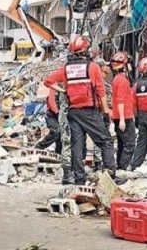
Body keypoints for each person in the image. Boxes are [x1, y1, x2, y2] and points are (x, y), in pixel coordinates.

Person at [44, 35, 119, 185]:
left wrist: (63, 91)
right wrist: (106, 110)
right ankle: (110, 175)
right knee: (105, 141)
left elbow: (48, 81)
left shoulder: (66, 69)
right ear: (85, 50)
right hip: (89, 111)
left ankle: (79, 178)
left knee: (76, 146)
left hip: (73, 113)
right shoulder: (92, 67)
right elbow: (101, 90)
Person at [110, 52, 135, 171]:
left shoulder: (117, 79)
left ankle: (119, 167)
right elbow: (120, 100)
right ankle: (123, 168)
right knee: (129, 144)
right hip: (124, 117)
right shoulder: (122, 81)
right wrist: (122, 119)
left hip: (119, 116)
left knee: (121, 144)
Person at [35, 83, 63, 155]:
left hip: (62, 114)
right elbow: (51, 101)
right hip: (52, 114)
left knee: (62, 135)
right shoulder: (56, 87)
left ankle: (59, 154)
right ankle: (40, 146)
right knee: (56, 131)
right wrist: (57, 112)